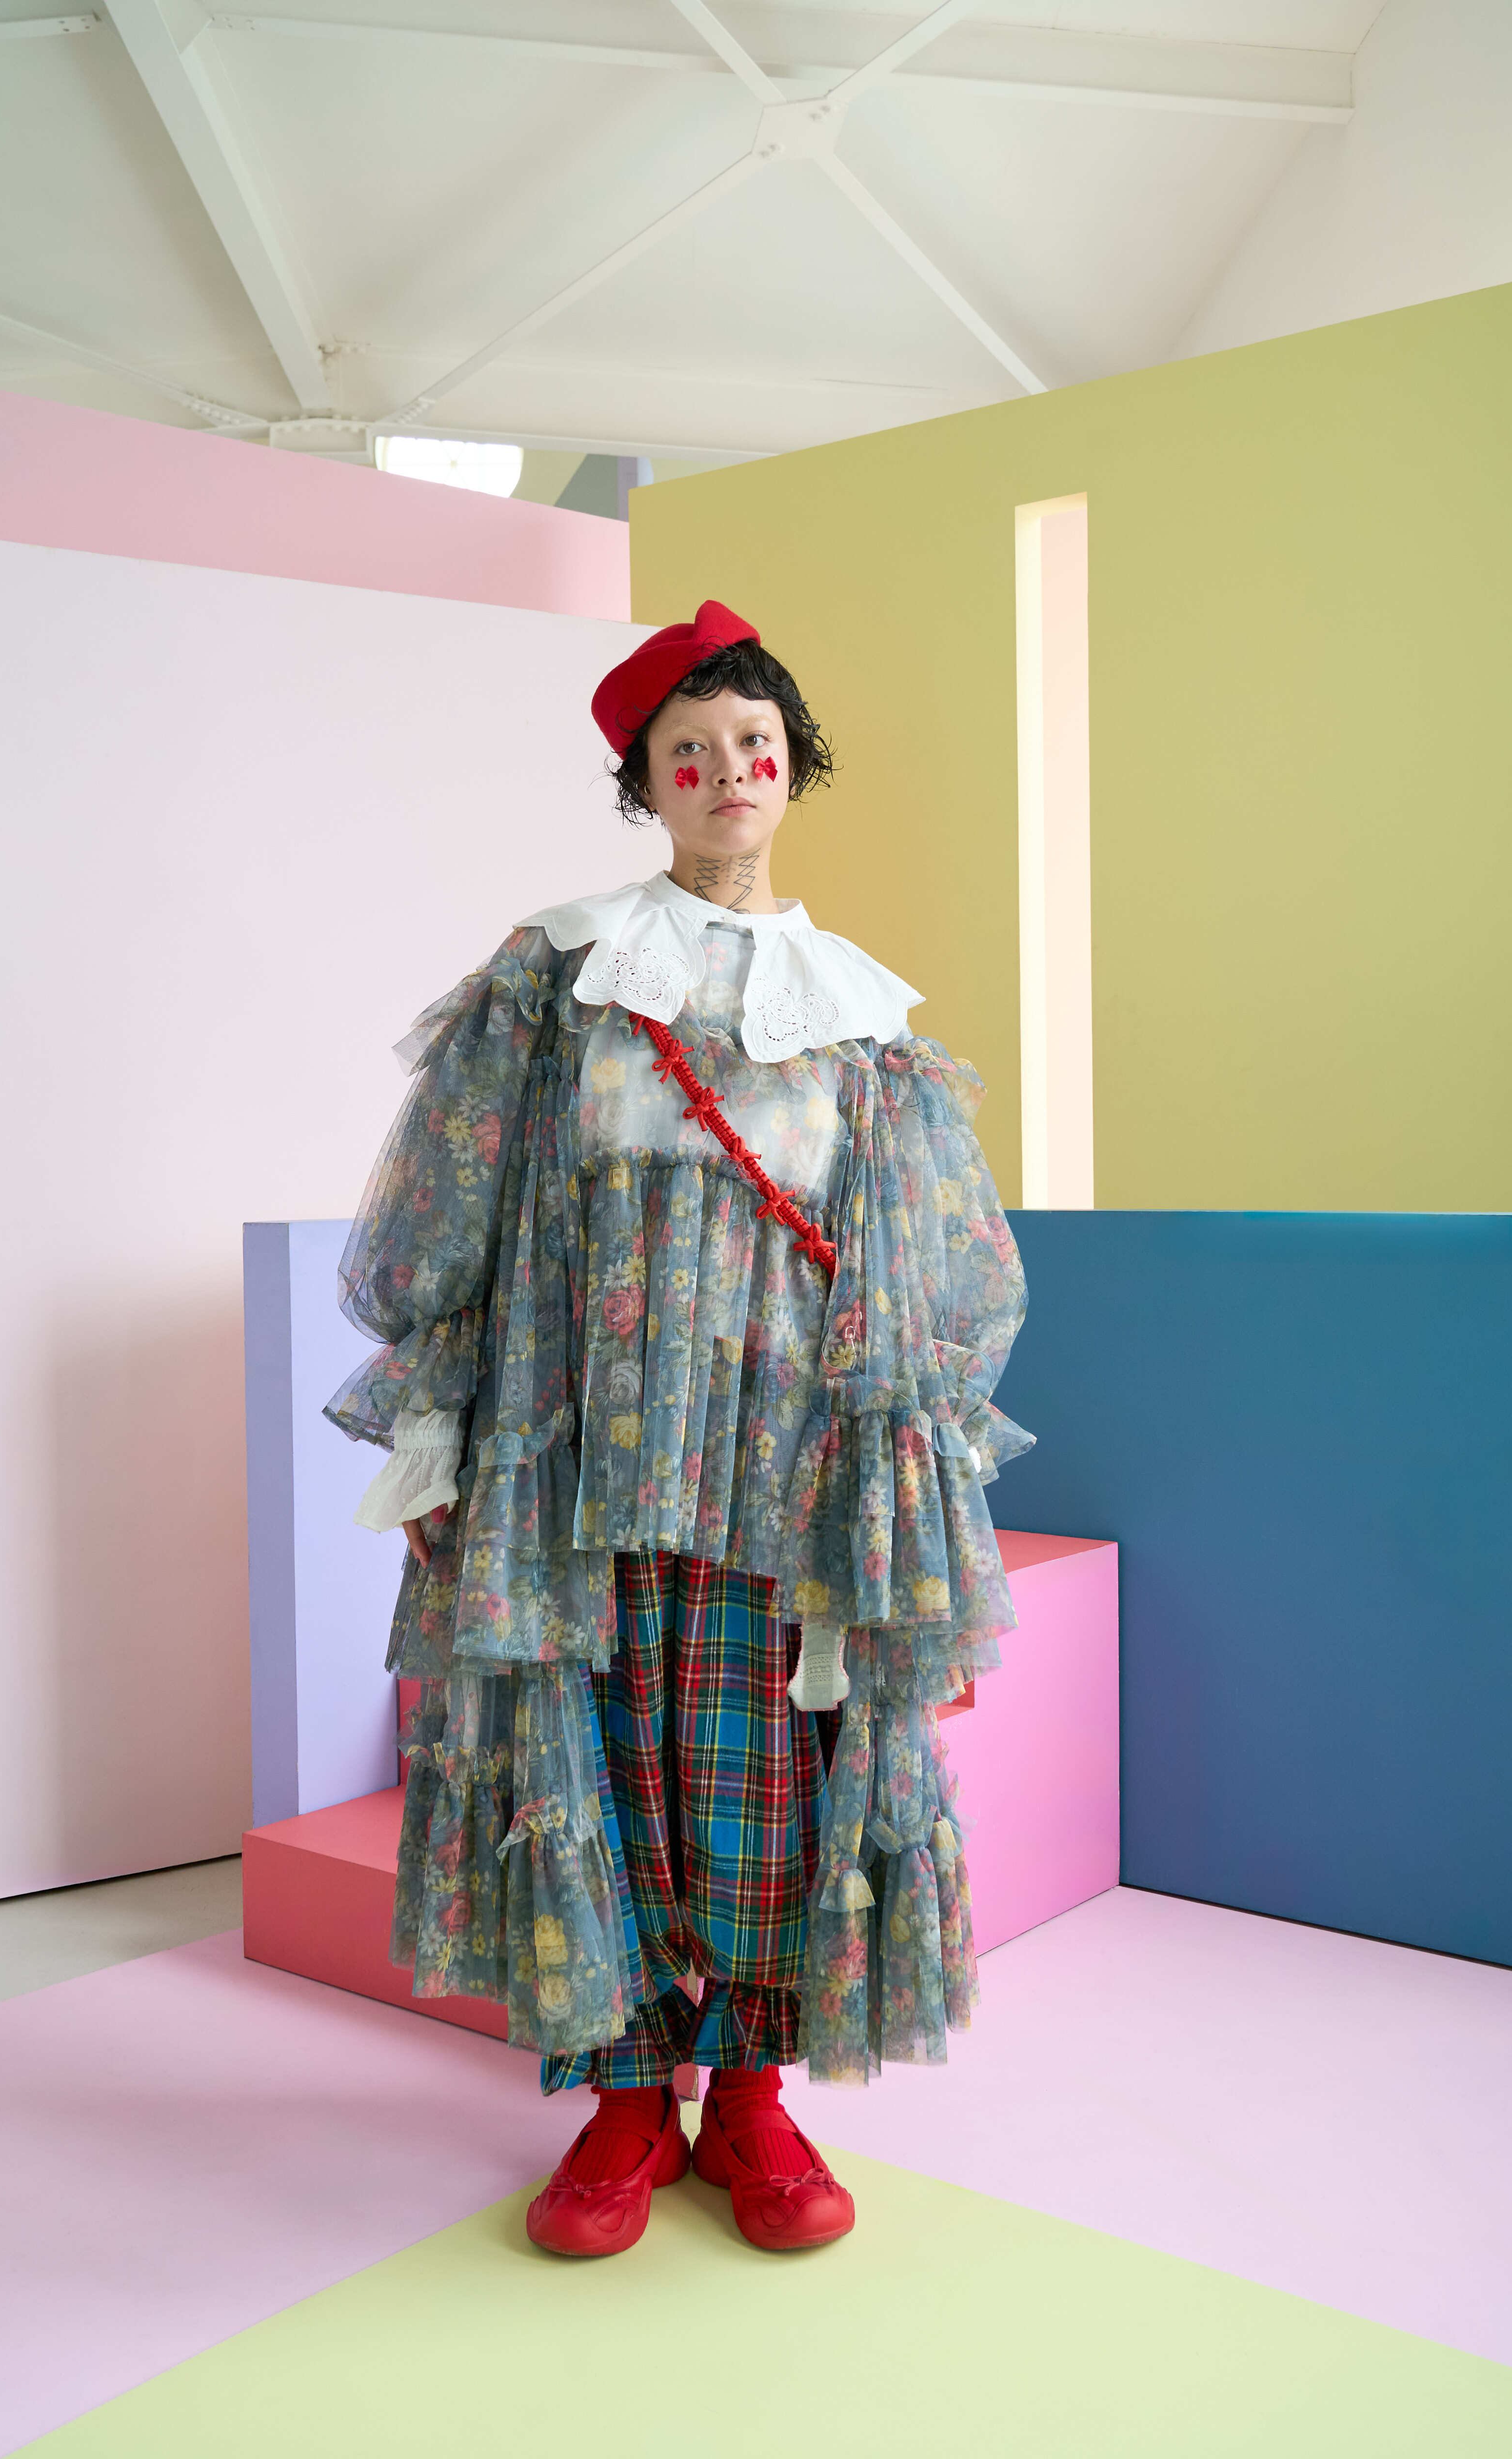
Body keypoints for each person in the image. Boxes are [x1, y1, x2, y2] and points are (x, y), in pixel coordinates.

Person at [326, 599, 1031, 2258]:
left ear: (794, 768)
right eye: (688, 751)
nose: (727, 772)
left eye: (753, 744)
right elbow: (454, 1204)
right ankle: (628, 2105)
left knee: (777, 1775)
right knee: (601, 1756)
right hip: (579, 1451)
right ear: (646, 784)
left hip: (791, 1461)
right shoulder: (559, 972)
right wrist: (441, 1424)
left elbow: (935, 1265)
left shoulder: (861, 1013)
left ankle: (756, 2100)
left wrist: (918, 1478)